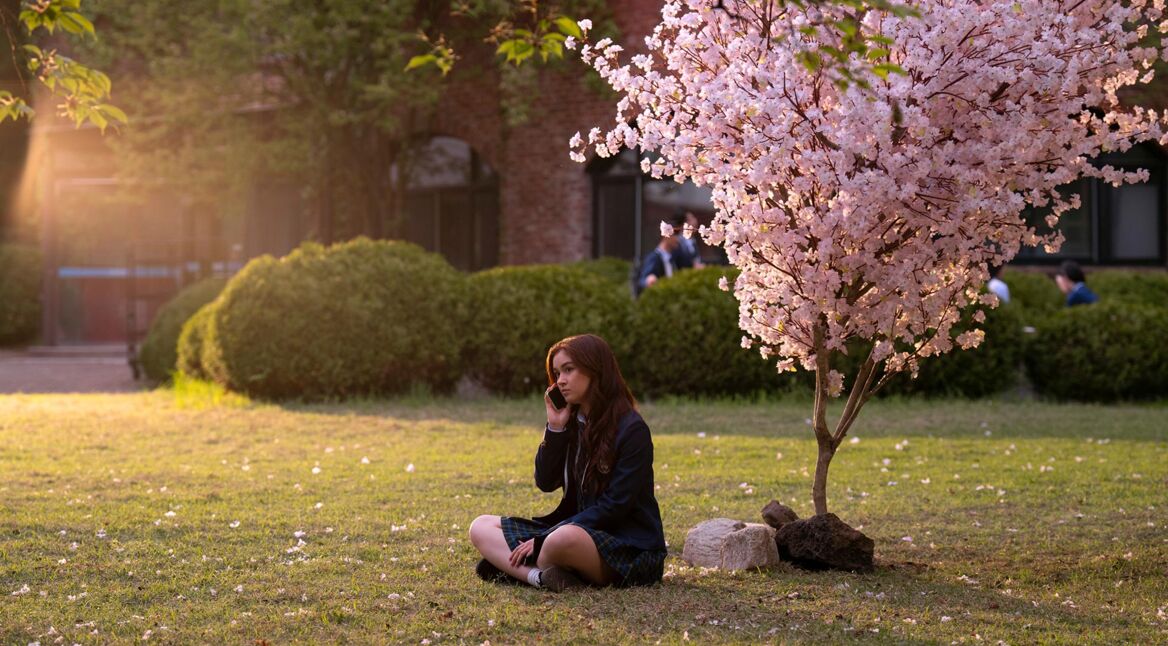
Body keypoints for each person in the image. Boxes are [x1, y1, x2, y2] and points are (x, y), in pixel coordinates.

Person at [468, 334, 667, 592]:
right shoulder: (571, 422)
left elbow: (615, 506)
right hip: (576, 528)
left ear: (595, 369)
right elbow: (545, 482)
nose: (560, 380)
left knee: (560, 540)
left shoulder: (632, 430)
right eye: (556, 373)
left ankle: (518, 566)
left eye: (568, 370)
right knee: (481, 526)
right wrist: (555, 428)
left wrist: (544, 539)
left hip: (627, 544)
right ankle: (539, 577)